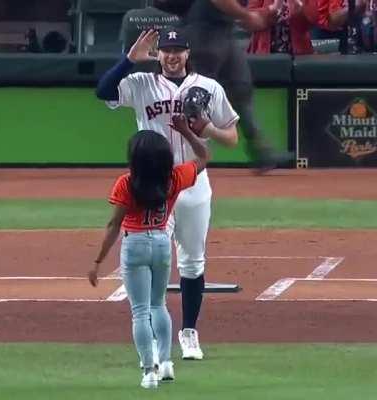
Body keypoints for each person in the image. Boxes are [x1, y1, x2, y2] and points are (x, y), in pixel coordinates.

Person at [96, 28, 239, 360]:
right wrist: (130, 60)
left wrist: (209, 129)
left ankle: (189, 332)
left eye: (178, 50)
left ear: (188, 54)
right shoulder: (140, 83)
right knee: (154, 257)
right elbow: (102, 90)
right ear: (157, 54)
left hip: (193, 180)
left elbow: (231, 137)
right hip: (154, 184)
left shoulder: (208, 87)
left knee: (192, 261)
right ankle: (152, 338)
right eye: (166, 50)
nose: (172, 56)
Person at [88, 119, 210, 389]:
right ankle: (166, 363)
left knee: (140, 312)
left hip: (135, 245)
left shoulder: (126, 184)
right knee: (159, 305)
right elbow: (204, 156)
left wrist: (97, 262)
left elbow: (113, 225)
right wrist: (186, 131)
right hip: (161, 242)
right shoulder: (175, 178)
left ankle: (148, 371)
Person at [153, 0, 293, 170]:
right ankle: (177, 155)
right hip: (202, 31)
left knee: (240, 88)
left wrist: (263, 14)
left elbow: (245, 14)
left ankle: (261, 150)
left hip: (224, 31)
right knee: (197, 97)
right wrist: (246, 16)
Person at [247, 0, 319, 55]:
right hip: (265, 55)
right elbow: (249, 20)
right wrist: (273, 9)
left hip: (300, 55)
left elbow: (314, 19)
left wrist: (300, 10)